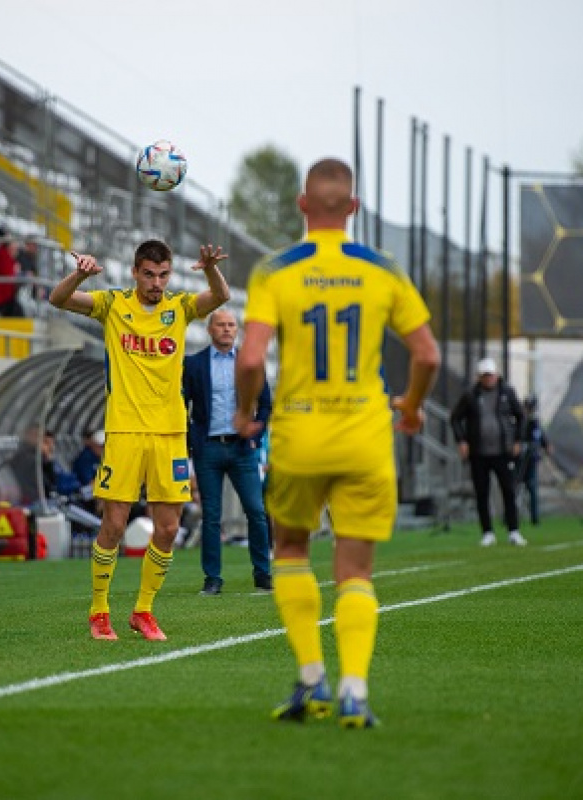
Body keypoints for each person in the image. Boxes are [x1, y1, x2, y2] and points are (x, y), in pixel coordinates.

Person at [234, 158, 440, 727]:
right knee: (355, 571)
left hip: (300, 435)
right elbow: (427, 354)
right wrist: (414, 408)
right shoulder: (383, 270)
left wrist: (248, 411)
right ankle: (353, 690)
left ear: (303, 205)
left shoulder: (275, 271)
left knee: (292, 551)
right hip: (366, 436)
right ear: (352, 208)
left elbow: (250, 357)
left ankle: (311, 681)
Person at [49, 239, 230, 641]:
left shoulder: (179, 308)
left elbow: (220, 296)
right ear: (135, 272)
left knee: (167, 529)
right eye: (149, 274)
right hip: (126, 430)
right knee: (114, 523)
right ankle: (99, 612)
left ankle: (143, 611)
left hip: (170, 432)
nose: (156, 283)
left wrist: (211, 268)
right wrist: (80, 273)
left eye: (163, 275)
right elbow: (58, 299)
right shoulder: (113, 304)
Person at [183, 308, 272, 595]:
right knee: (211, 515)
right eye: (220, 325)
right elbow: (180, 404)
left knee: (256, 512)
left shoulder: (249, 364)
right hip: (207, 448)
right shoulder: (193, 364)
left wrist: (256, 434)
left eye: (231, 325)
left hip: (241, 449)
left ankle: (263, 573)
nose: (226, 329)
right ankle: (212, 579)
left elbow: (267, 403)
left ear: (238, 330)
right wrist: (189, 441)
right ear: (210, 329)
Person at [450, 357, 526, 547]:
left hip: (503, 452)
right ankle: (487, 532)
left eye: (491, 375)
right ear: (479, 377)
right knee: (482, 493)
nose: (488, 379)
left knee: (508, 491)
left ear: (496, 375)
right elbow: (455, 418)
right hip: (479, 453)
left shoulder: (507, 392)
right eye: (485, 376)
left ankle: (514, 530)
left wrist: (517, 440)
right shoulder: (471, 395)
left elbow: (521, 416)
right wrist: (462, 441)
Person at [520, 395, 552, 525]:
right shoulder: (522, 421)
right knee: (515, 487)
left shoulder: (535, 422)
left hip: (532, 458)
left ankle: (534, 517)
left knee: (532, 487)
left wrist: (546, 445)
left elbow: (540, 436)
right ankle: (509, 516)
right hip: (521, 459)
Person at [72, 429, 105, 510]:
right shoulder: (85, 459)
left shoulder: (101, 458)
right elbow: (89, 482)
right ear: (94, 444)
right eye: (102, 446)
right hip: (83, 493)